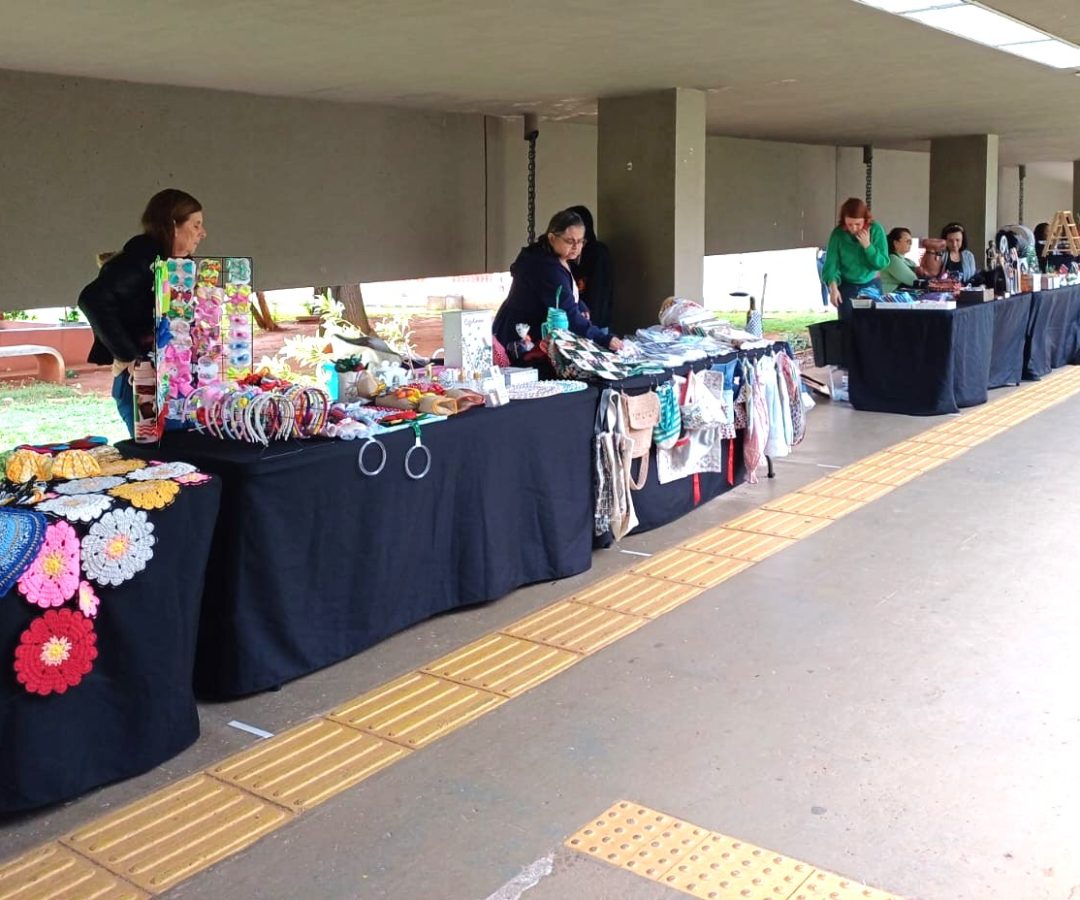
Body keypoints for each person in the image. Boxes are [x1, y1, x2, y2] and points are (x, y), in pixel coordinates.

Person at [78, 188, 206, 435]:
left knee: (188, 457)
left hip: (176, 383)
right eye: (196, 225)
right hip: (142, 383)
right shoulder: (138, 260)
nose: (202, 233)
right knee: (159, 459)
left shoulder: (175, 264)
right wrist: (128, 355)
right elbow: (92, 299)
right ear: (173, 225)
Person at [493, 209, 622, 369]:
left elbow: (562, 292)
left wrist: (579, 303)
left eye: (581, 241)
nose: (576, 247)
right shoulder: (546, 266)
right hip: (522, 338)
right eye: (570, 241)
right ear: (552, 238)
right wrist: (603, 338)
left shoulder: (554, 256)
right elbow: (566, 312)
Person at [820, 197, 889, 319]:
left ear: (866, 221)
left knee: (872, 325)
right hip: (847, 285)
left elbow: (882, 263)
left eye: (858, 224)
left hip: (871, 283)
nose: (854, 228)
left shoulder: (876, 230)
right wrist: (833, 288)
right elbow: (831, 264)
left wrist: (868, 246)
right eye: (849, 224)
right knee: (847, 326)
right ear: (844, 222)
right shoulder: (838, 234)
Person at [566, 205, 614, 329]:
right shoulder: (570, 253)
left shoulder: (598, 252)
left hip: (596, 322)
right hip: (578, 319)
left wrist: (591, 326)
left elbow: (599, 294)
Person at [880, 227, 920, 294]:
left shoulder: (908, 261)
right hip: (890, 298)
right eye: (907, 241)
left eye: (911, 242)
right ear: (896, 243)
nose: (910, 244)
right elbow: (913, 280)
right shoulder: (892, 259)